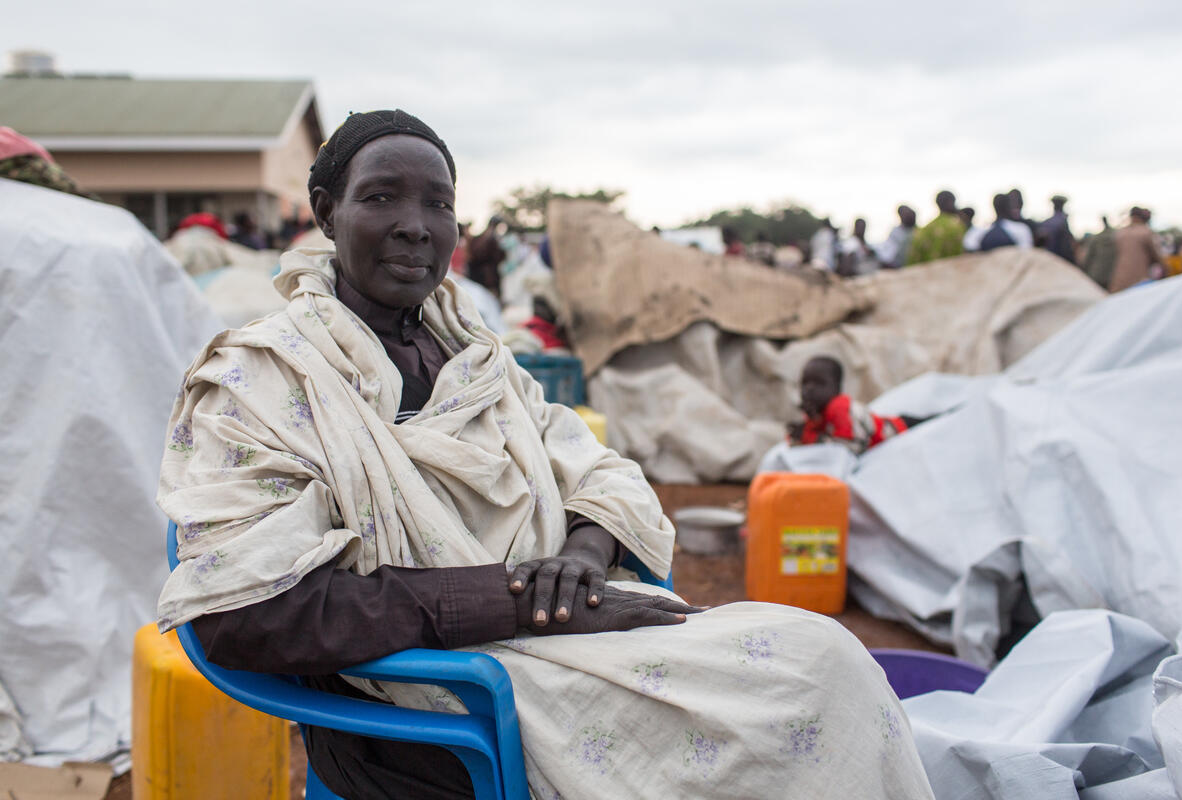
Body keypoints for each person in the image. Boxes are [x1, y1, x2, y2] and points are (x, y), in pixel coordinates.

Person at [155, 109, 932, 800]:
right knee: (808, 685)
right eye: (381, 196)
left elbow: (596, 471)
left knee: (822, 659)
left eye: (438, 203)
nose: (415, 224)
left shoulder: (476, 357)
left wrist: (584, 558)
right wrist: (521, 597)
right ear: (326, 214)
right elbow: (248, 613)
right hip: (427, 709)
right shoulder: (262, 378)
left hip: (564, 637)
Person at [786, 357, 916, 456]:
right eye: (805, 383)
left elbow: (853, 447)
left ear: (837, 388)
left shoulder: (839, 407)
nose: (809, 389)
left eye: (819, 383)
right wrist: (806, 428)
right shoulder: (816, 410)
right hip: (888, 425)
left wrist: (811, 438)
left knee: (921, 421)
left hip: (895, 428)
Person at [1109, 207, 1164, 292]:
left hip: (1119, 280)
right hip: (1139, 281)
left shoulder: (1120, 233)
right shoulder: (1146, 232)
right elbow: (1157, 256)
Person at [905, 190, 965, 265]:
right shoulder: (956, 226)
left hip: (926, 274)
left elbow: (913, 259)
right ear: (950, 202)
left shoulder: (925, 229)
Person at [467, 214, 505, 296]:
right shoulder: (492, 238)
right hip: (488, 276)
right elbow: (497, 256)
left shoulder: (480, 237)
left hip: (478, 274)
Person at [1081, 216, 1118, 288]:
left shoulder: (1096, 238)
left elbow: (1088, 257)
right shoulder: (1116, 236)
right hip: (1112, 274)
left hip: (1098, 274)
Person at [1038, 195, 1076, 263]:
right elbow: (1067, 247)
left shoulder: (1046, 223)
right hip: (1059, 260)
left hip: (1046, 259)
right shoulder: (1063, 222)